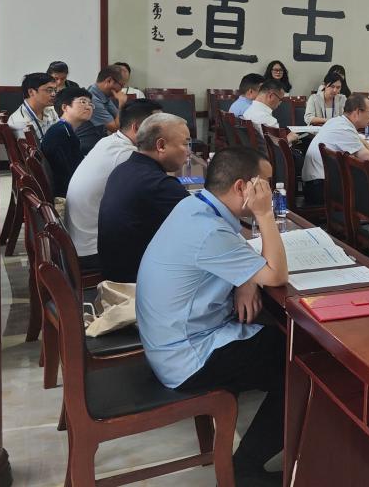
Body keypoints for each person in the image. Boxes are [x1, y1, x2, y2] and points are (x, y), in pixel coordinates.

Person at [137, 147, 288, 486]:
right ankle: (245, 469)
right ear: (241, 187)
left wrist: (246, 279)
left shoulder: (194, 207)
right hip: (187, 358)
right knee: (300, 362)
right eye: (264, 184)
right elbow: (277, 275)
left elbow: (237, 255)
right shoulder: (209, 232)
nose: (268, 190)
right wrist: (265, 215)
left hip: (171, 339)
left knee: (277, 337)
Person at [65, 100, 162, 273]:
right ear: (137, 128)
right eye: (159, 126)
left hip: (79, 241)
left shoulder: (109, 141)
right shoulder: (126, 155)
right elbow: (154, 199)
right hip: (92, 250)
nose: (164, 131)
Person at [96, 113, 192, 283]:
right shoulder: (159, 185)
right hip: (137, 282)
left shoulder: (123, 169)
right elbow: (208, 224)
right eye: (185, 144)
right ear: (161, 145)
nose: (189, 152)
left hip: (115, 271)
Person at [302, 94, 369, 204]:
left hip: (318, 184)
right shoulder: (344, 129)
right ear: (357, 113)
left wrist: (367, 146)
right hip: (320, 188)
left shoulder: (337, 122)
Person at [40, 87, 94, 198]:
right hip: (67, 196)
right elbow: (67, 175)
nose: (88, 107)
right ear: (65, 107)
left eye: (90, 104)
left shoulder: (63, 129)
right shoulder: (60, 133)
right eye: (83, 102)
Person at [78, 64, 126, 154]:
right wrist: (121, 104)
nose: (121, 90)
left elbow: (120, 119)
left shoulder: (103, 95)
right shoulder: (92, 99)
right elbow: (115, 128)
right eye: (121, 85)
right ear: (109, 80)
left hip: (98, 143)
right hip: (87, 149)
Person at [8, 72, 59, 142]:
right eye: (49, 90)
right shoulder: (19, 121)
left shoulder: (51, 110)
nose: (53, 94)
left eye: (55, 90)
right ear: (31, 92)